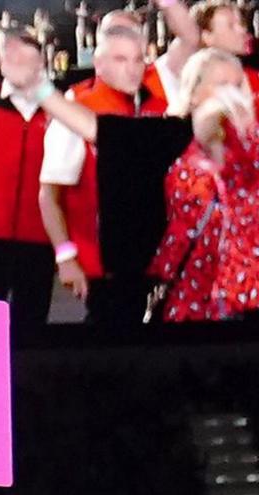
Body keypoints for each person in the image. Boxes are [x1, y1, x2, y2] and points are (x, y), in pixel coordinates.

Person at [37, 11, 166, 323]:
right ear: (100, 64)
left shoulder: (158, 104)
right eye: (121, 59)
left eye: (138, 59)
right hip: (105, 261)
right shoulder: (77, 109)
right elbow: (49, 194)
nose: (133, 69)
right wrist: (66, 256)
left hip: (157, 256)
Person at [147, 48, 259, 321]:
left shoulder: (250, 142)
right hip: (198, 299)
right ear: (194, 93)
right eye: (222, 87)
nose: (231, 96)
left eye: (236, 86)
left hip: (245, 294)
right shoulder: (170, 145)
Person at [0, 26, 59, 324]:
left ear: (41, 66)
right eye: (11, 57)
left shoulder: (58, 111)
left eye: (28, 60)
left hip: (38, 242)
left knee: (32, 328)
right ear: (2, 63)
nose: (20, 66)